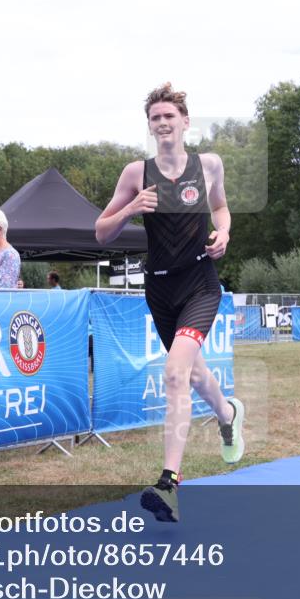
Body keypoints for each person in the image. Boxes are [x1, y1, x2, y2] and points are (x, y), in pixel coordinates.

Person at [95, 82, 245, 523]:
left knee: (176, 373)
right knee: (194, 374)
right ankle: (228, 414)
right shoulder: (135, 174)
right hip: (159, 290)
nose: (162, 123)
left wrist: (224, 232)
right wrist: (130, 210)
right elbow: (101, 232)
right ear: (149, 127)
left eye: (169, 116)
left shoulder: (209, 165)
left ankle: (169, 484)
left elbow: (221, 208)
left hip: (200, 283)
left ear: (184, 122)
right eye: (155, 118)